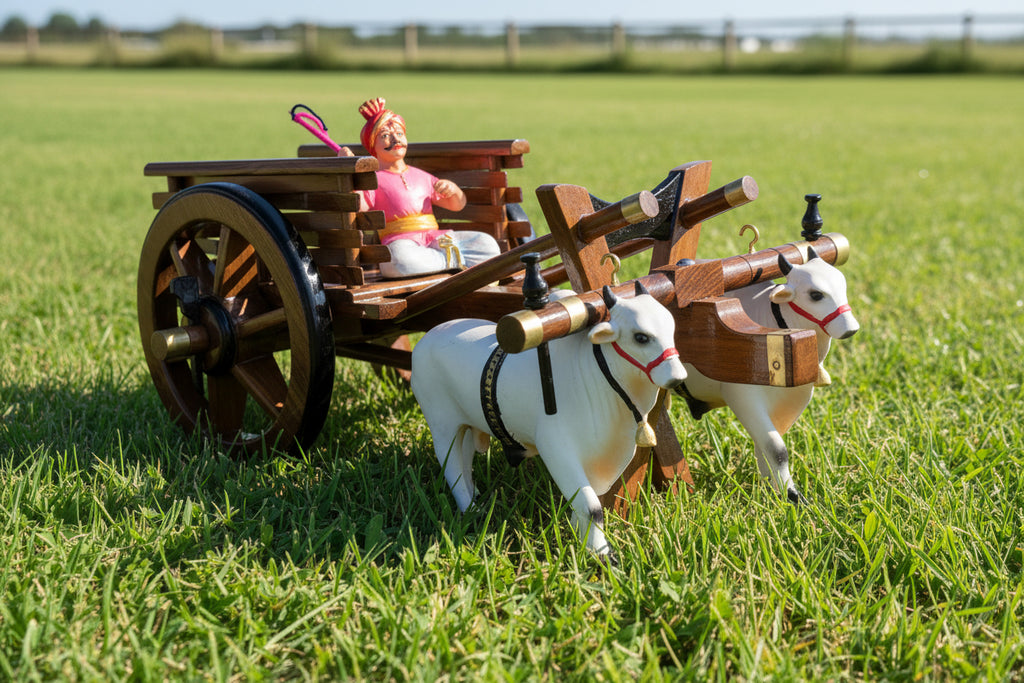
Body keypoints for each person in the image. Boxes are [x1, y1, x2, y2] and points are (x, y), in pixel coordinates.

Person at [339, 98, 501, 279]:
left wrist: (453, 190)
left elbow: (457, 205)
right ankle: (450, 260)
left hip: (436, 240)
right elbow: (358, 205)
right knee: (398, 260)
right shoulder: (373, 180)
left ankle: (444, 259)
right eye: (385, 136)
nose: (395, 139)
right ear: (372, 146)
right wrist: (350, 172)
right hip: (401, 243)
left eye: (399, 133)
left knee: (487, 244)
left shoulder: (421, 176)